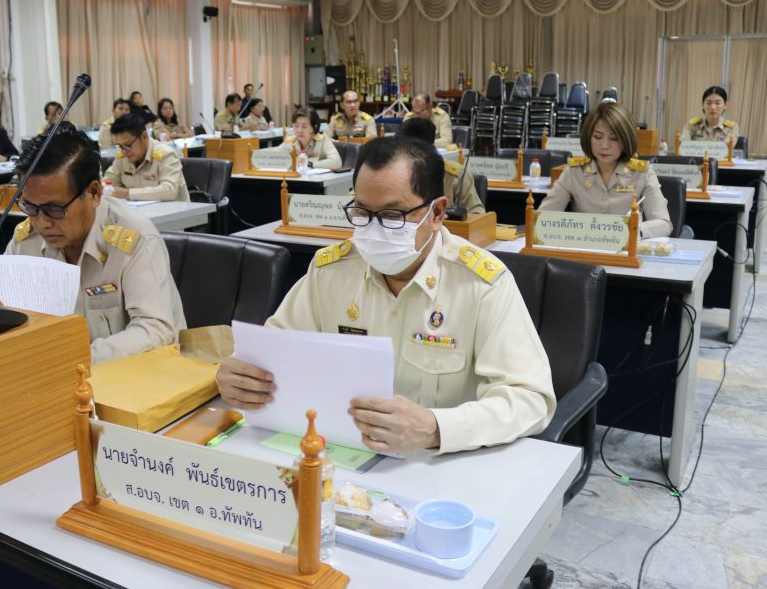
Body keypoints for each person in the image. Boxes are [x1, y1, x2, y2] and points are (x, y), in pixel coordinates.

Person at [215, 136, 555, 454]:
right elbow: (274, 350)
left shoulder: (481, 284)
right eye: (362, 213)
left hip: (437, 463)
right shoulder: (330, 271)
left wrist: (436, 428)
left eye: (393, 215)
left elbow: (530, 398)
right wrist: (236, 375)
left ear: (437, 213)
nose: (373, 230)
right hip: (341, 452)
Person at [4, 128, 185, 362]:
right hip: (59, 374)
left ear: (94, 193)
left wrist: (76, 359)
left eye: (54, 209)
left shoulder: (135, 238)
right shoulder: (26, 241)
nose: (41, 223)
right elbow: (5, 313)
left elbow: (156, 330)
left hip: (141, 374)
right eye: (30, 207)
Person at [539, 101, 672, 238]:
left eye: (614, 138)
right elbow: (542, 217)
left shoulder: (642, 173)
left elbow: (664, 224)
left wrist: (633, 230)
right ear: (588, 137)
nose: (604, 145)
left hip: (626, 248)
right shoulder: (574, 171)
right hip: (585, 245)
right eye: (597, 137)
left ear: (626, 140)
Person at [398, 118, 483, 214]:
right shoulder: (393, 173)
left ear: (430, 148)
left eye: (412, 152)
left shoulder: (455, 175)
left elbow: (477, 215)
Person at [102, 115, 189, 201]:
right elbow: (106, 183)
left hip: (174, 209)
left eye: (128, 145)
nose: (124, 151)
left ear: (144, 137)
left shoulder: (165, 154)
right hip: (137, 209)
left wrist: (127, 193)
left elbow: (170, 190)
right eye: (120, 146)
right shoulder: (122, 157)